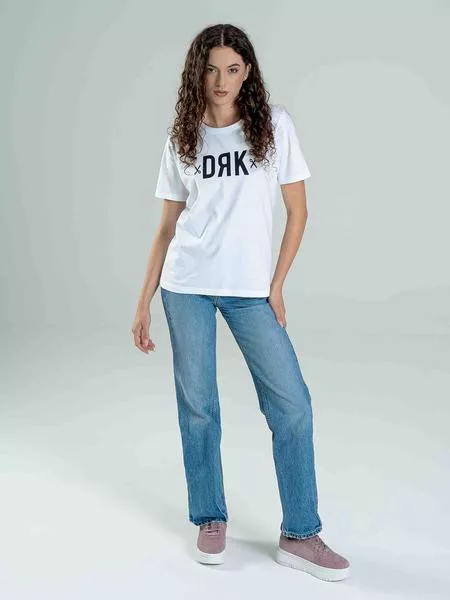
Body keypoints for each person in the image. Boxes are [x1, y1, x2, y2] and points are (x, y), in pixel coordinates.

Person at [131, 23, 350, 581]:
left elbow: (298, 212)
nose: (221, 80)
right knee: (199, 406)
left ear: (247, 72)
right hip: (186, 285)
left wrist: (276, 286)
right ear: (197, 74)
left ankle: (300, 533)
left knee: (292, 406)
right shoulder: (182, 137)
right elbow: (166, 229)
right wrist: (143, 301)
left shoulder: (274, 127)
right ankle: (209, 516)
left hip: (250, 291)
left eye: (232, 69)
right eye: (211, 69)